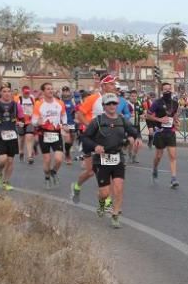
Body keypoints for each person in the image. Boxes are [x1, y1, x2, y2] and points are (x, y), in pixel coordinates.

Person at [80, 93, 140, 228]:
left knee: (118, 188)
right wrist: (95, 146)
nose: (112, 106)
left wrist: (133, 138)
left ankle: (115, 215)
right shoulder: (98, 121)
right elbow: (85, 138)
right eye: (109, 104)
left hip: (118, 157)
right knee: (105, 193)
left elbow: (134, 131)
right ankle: (102, 203)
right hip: (101, 160)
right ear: (104, 106)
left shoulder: (122, 119)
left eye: (114, 103)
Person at [71, 74, 115, 203]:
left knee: (107, 170)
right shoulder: (93, 99)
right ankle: (76, 186)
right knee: (90, 172)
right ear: (104, 85)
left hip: (107, 141)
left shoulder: (114, 100)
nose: (114, 86)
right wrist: (90, 127)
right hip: (91, 139)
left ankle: (106, 201)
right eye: (111, 84)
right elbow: (80, 114)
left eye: (114, 84)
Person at [0, 85, 24, 191]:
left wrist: (21, 123)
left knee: (10, 160)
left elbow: (22, 119)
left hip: (12, 134)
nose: (7, 93)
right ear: (0, 93)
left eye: (9, 91)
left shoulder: (16, 106)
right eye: (4, 91)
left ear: (11, 93)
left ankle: (6, 182)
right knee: (3, 159)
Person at [32, 82, 66, 188]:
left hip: (56, 133)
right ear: (43, 91)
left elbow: (63, 115)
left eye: (52, 89)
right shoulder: (38, 104)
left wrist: (64, 124)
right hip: (44, 134)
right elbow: (33, 120)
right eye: (48, 89)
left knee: (59, 159)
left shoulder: (60, 103)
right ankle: (47, 178)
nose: (51, 91)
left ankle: (54, 172)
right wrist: (38, 122)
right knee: (47, 160)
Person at [147, 82, 181, 189]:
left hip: (170, 132)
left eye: (169, 89)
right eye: (165, 90)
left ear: (172, 90)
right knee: (158, 156)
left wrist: (176, 122)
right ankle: (155, 168)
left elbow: (174, 115)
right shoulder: (157, 102)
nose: (167, 91)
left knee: (172, 156)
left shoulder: (175, 103)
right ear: (162, 91)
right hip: (160, 132)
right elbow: (147, 115)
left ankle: (173, 178)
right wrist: (159, 119)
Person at [17, 86, 37, 163]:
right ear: (22, 92)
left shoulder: (32, 99)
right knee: (21, 138)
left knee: (29, 136)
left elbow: (35, 108)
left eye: (28, 93)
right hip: (21, 121)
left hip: (30, 121)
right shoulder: (19, 99)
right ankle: (21, 151)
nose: (27, 94)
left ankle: (29, 156)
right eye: (25, 93)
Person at [60, 86, 79, 165]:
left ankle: (68, 150)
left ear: (69, 91)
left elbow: (77, 110)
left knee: (72, 139)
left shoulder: (73, 100)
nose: (65, 92)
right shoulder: (60, 101)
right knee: (67, 139)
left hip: (72, 122)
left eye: (67, 91)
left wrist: (77, 118)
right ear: (62, 92)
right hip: (64, 123)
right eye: (64, 91)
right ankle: (67, 155)